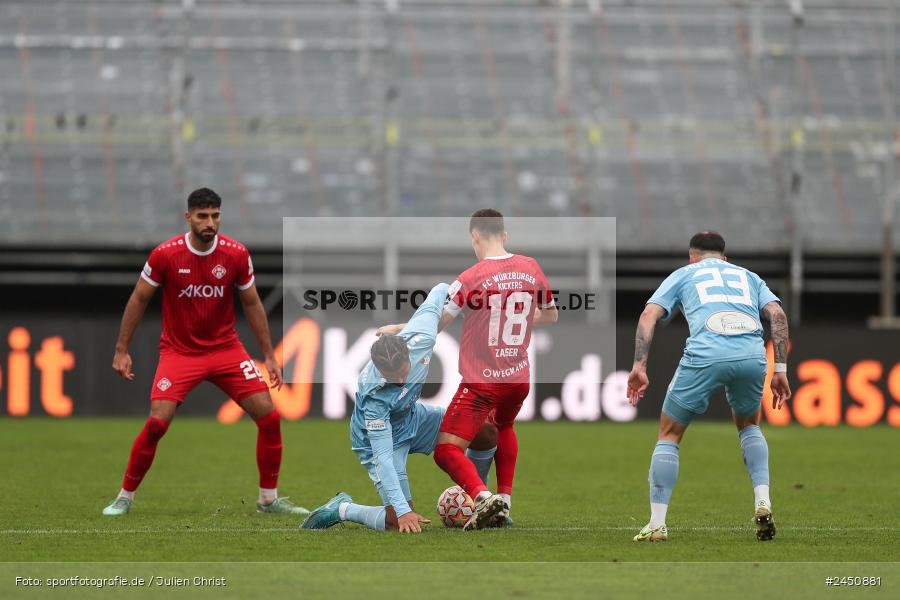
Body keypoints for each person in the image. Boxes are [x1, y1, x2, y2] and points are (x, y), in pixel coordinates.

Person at [102, 188, 307, 516]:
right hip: (179, 353)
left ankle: (268, 500)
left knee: (269, 417)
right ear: (189, 218)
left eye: (215, 216)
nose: (210, 222)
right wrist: (121, 349)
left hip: (226, 349)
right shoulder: (166, 255)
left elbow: (252, 302)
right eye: (202, 216)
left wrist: (269, 356)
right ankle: (125, 497)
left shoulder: (236, 254)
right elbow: (139, 299)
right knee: (157, 423)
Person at [627, 231, 791, 542]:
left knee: (669, 433)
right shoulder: (749, 276)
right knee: (749, 425)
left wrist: (639, 366)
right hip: (752, 353)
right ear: (725, 258)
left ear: (692, 256)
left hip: (707, 351)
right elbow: (778, 315)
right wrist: (780, 369)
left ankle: (657, 524)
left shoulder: (684, 273)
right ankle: (763, 501)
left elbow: (649, 314)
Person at [300, 283, 498, 532]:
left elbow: (441, 290)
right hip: (382, 441)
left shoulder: (422, 338)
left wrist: (473, 299)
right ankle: (342, 508)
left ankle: (482, 505)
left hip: (414, 418)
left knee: (486, 433)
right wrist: (404, 511)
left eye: (403, 372)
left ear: (408, 354)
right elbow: (383, 457)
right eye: (393, 377)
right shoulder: (374, 396)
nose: (402, 381)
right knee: (398, 522)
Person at [432, 209, 558, 530]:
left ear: (474, 236)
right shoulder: (531, 267)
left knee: (446, 449)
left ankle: (483, 497)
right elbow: (551, 315)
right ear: (504, 235)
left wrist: (399, 328)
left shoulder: (470, 278)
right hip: (517, 377)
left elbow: (437, 324)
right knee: (504, 427)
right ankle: (505, 499)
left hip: (482, 381)